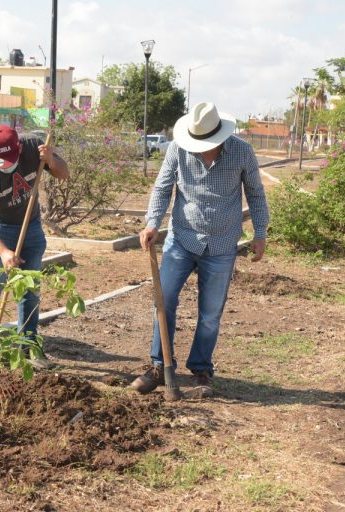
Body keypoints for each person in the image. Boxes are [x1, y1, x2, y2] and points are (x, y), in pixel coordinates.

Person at [130, 102, 269, 397]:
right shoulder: (178, 150)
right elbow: (162, 188)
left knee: (210, 313)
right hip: (182, 239)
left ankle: (201, 368)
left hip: (221, 245)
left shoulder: (242, 151)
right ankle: (159, 366)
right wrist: (152, 223)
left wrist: (260, 233)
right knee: (163, 301)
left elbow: (256, 193)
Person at [0, 125, 69, 368]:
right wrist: (3, 251)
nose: (3, 164)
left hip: (31, 226)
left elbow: (63, 174)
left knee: (31, 284)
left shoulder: (33, 147)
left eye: (8, 158)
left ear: (17, 147)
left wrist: (51, 161)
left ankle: (28, 345)